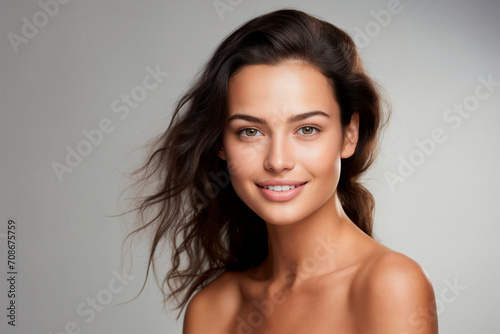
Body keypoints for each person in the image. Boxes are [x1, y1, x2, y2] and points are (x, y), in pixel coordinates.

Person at [123, 8, 438, 334]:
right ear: (220, 142)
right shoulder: (213, 309)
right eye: (250, 131)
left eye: (307, 129)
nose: (277, 160)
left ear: (349, 135)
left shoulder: (389, 285)